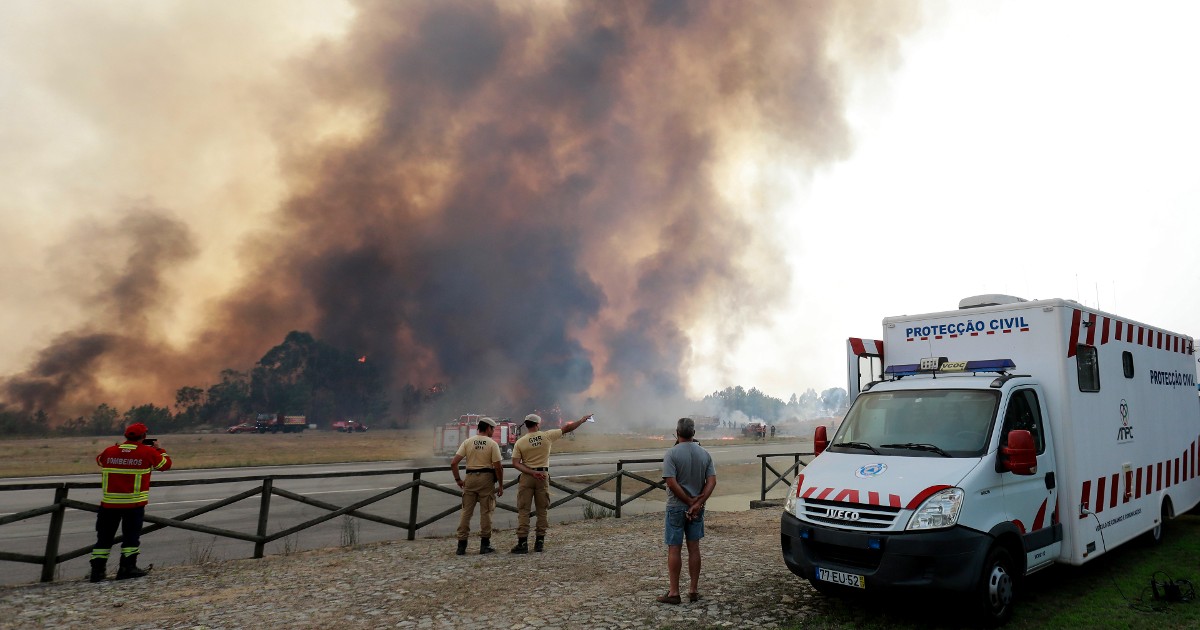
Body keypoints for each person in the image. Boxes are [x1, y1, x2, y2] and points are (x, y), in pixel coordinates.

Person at [90, 422, 172, 582]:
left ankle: (97, 572)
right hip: (133, 505)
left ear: (125, 436)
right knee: (131, 538)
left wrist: (118, 450)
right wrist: (159, 450)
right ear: (144, 437)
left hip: (108, 505)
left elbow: (100, 460)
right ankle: (127, 568)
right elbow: (165, 465)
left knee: (104, 539)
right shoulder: (147, 452)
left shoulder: (110, 451)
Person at [509, 412, 591, 554]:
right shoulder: (547, 436)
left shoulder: (520, 442)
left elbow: (516, 463)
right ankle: (540, 542)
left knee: (523, 510)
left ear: (526, 425)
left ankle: (522, 543)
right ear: (537, 425)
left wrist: (531, 472)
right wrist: (582, 420)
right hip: (543, 475)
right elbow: (567, 428)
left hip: (527, 477)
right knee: (542, 510)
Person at [657, 417, 716, 605]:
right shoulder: (705, 454)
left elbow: (671, 482)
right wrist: (697, 503)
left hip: (675, 506)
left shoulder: (671, 454)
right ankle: (693, 590)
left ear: (677, 432)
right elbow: (712, 481)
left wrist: (687, 500)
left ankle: (674, 592)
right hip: (697, 509)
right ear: (694, 433)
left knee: (674, 548)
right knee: (694, 548)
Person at [450, 417, 504, 555]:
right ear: (487, 428)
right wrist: (501, 485)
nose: (493, 431)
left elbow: (454, 463)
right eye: (492, 429)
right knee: (486, 511)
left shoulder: (468, 442)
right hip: (486, 479)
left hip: (470, 478)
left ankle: (461, 545)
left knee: (466, 512)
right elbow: (498, 467)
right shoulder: (492, 444)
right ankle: (484, 544)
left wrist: (458, 479)